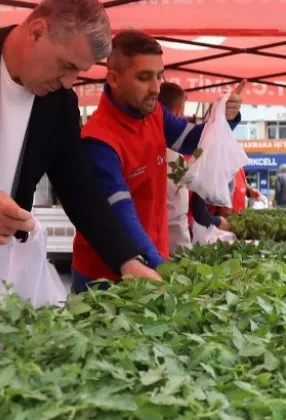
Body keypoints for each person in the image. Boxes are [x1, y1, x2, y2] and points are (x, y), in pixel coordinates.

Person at [0, 0, 161, 301]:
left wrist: (127, 259)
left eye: (78, 73)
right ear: (38, 32)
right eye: (67, 66)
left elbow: (80, 188)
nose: (69, 82)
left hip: (0, 273)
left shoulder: (59, 104)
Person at [72, 30, 243, 292]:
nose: (156, 87)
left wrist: (224, 118)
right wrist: (163, 270)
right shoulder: (98, 142)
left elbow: (194, 141)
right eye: (144, 77)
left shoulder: (153, 113)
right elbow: (121, 218)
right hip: (105, 280)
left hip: (151, 263)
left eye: (159, 75)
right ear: (114, 79)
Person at [158, 81, 228, 252]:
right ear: (177, 111)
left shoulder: (176, 154)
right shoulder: (176, 158)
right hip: (169, 247)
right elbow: (180, 211)